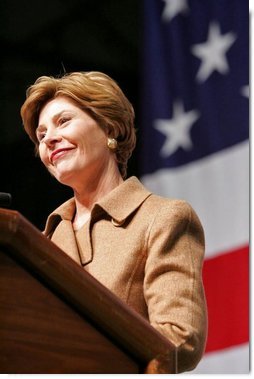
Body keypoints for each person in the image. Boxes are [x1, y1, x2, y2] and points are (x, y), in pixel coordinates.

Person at [20, 71, 207, 373]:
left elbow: (179, 339)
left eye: (63, 121)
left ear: (109, 126)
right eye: (41, 136)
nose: (49, 139)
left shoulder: (163, 218)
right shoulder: (40, 241)